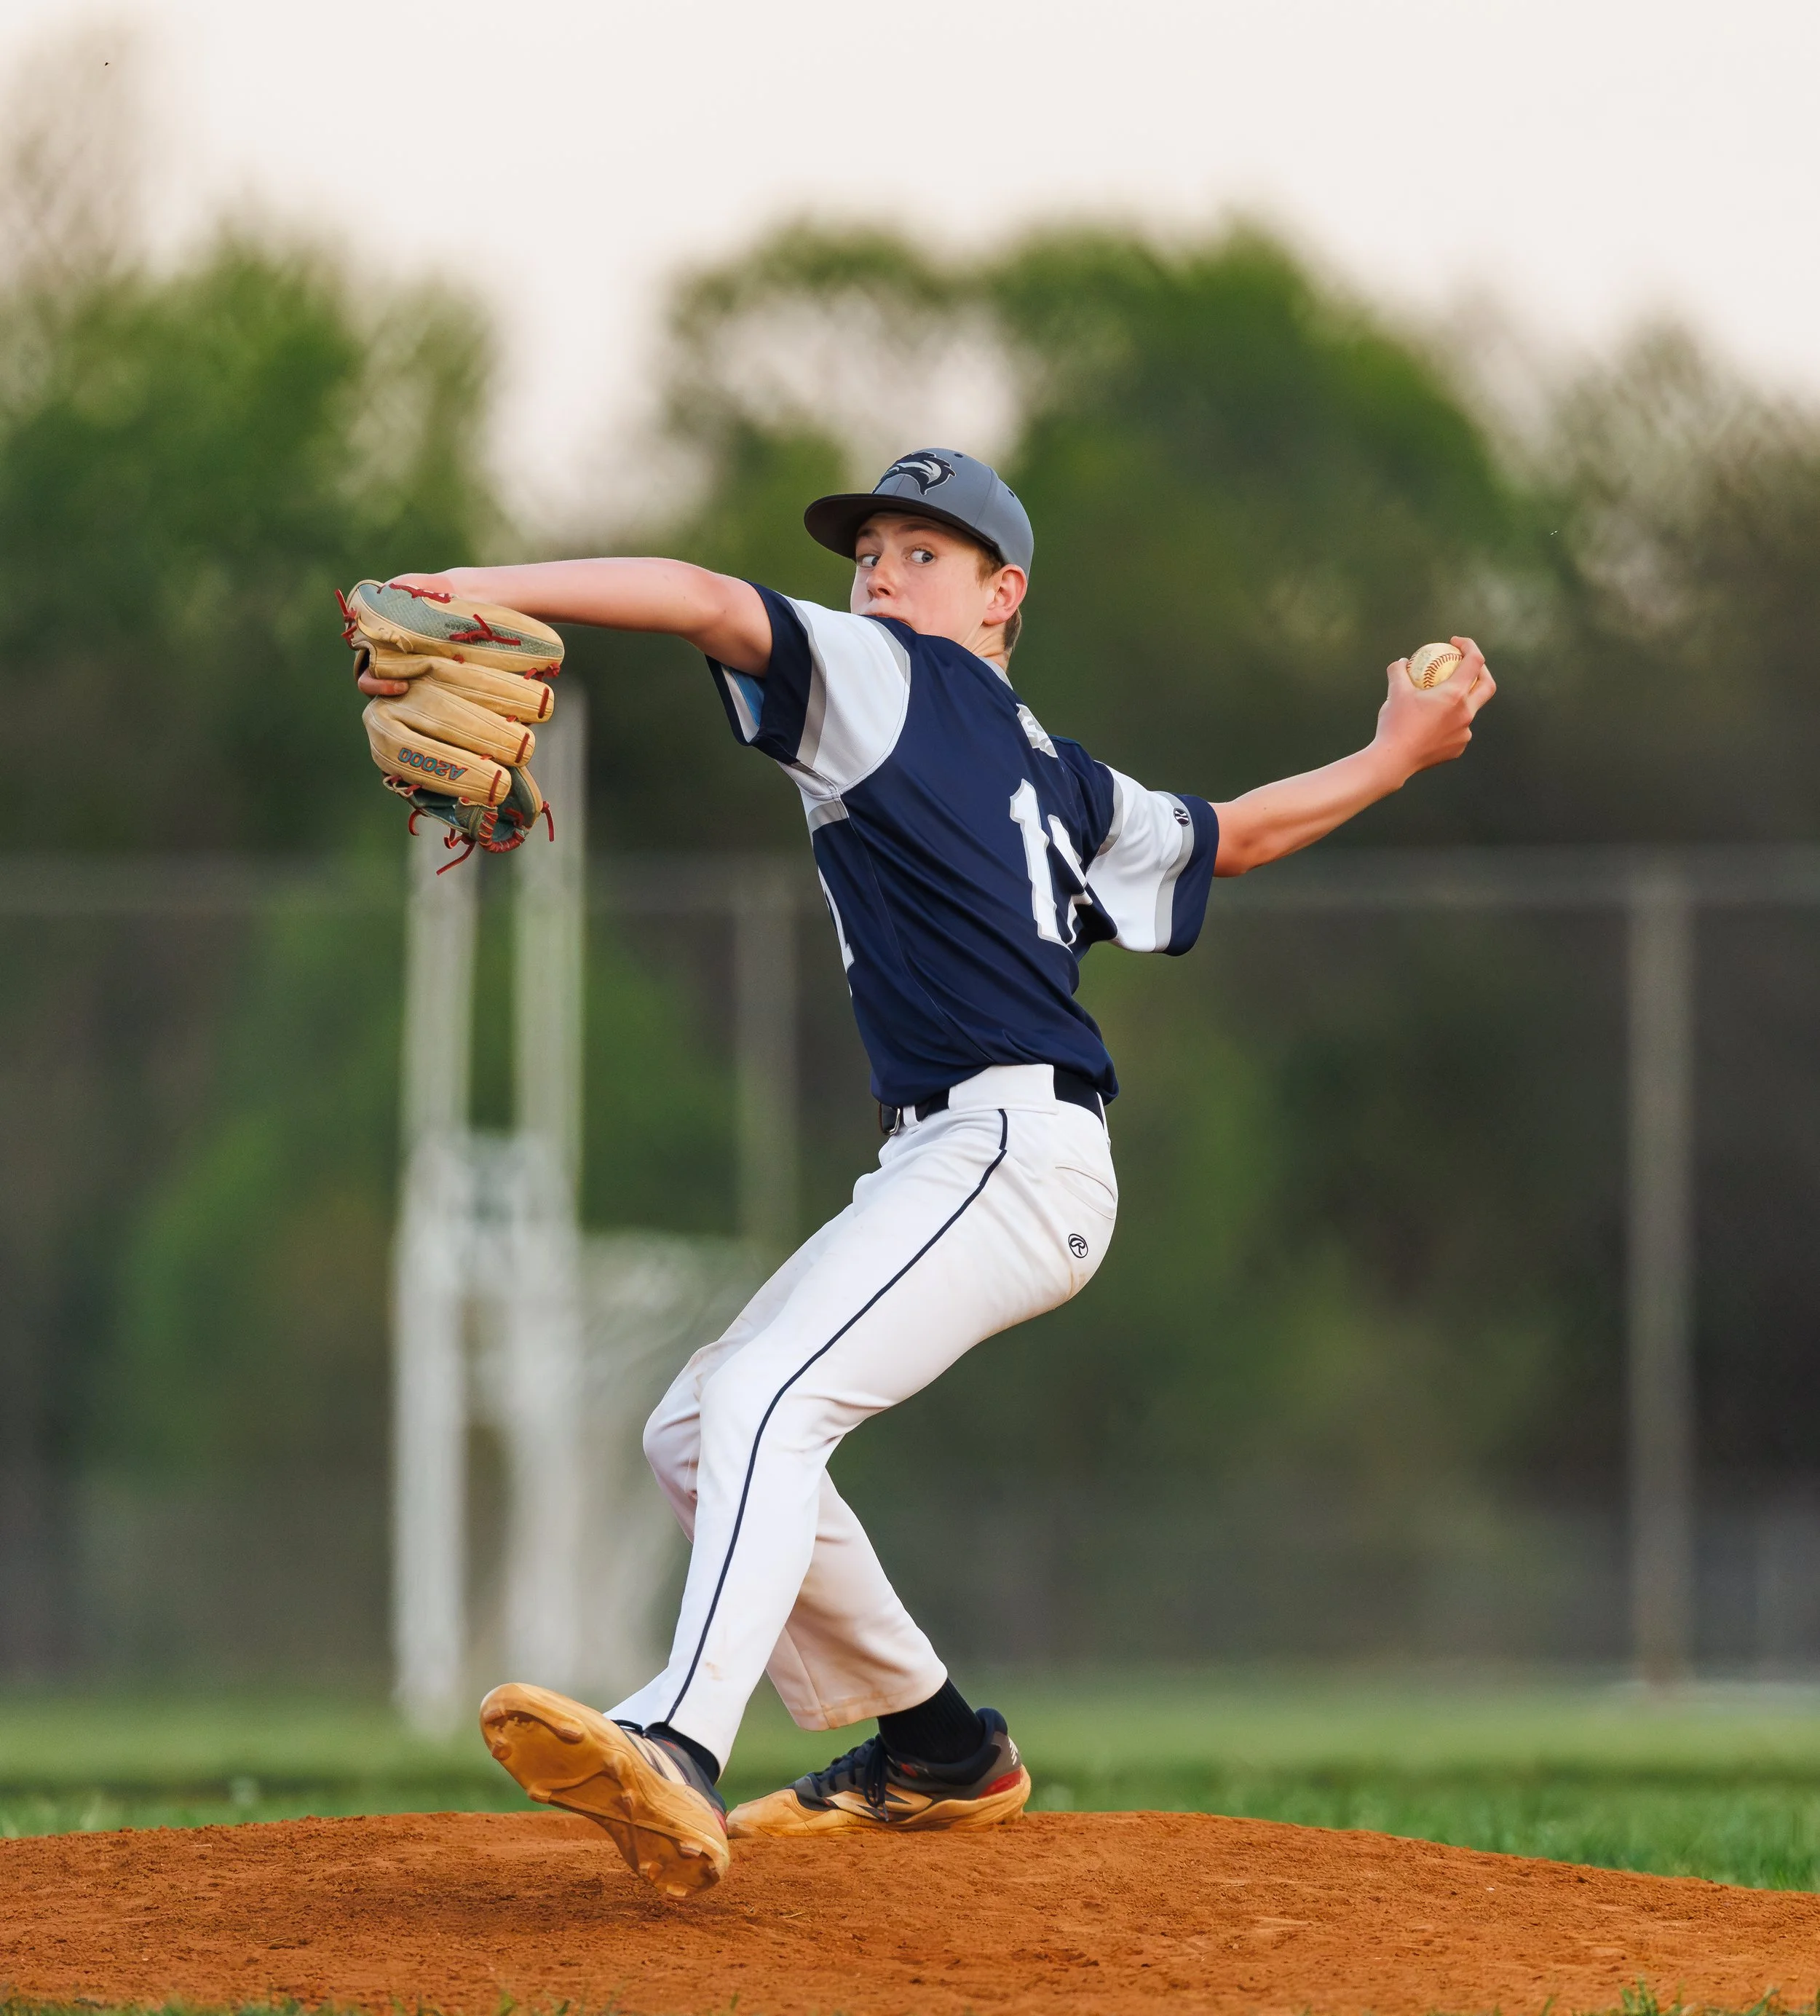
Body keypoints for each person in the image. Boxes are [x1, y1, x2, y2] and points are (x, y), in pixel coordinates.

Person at [360, 448, 1495, 1899]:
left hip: (1008, 1149)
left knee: (763, 1399)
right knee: (696, 1428)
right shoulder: (1056, 774)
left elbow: (701, 596)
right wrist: (1394, 754)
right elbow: (1237, 836)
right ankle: (939, 1747)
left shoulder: (890, 680)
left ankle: (677, 1740)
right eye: (868, 556)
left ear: (1000, 594)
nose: (881, 578)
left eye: (921, 553)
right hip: (976, 1155)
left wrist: (474, 588)